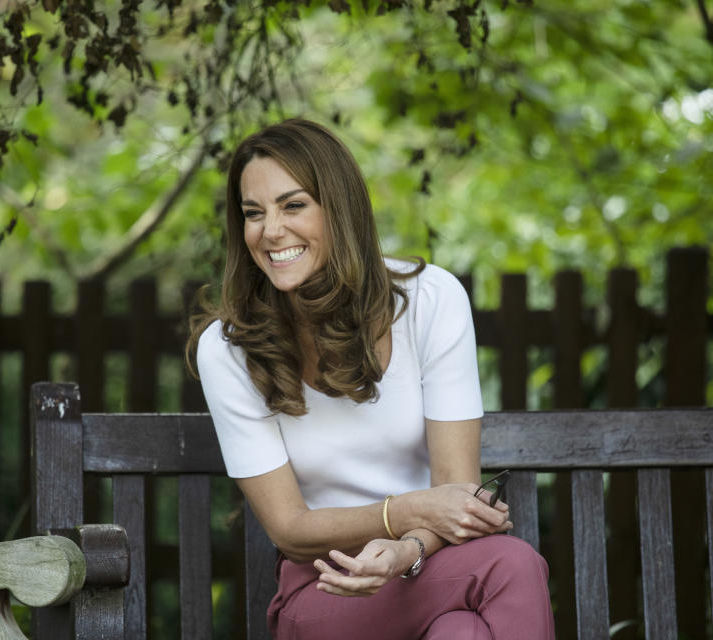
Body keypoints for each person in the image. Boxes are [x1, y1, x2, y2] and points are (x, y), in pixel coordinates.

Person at [188, 118, 554, 639]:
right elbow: (290, 530)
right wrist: (405, 510)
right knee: (511, 565)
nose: (270, 231)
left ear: (339, 207)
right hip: (324, 587)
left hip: (429, 564)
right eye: (253, 213)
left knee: (461, 635)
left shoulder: (430, 301)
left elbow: (456, 487)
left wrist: (408, 548)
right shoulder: (228, 348)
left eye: (293, 206)